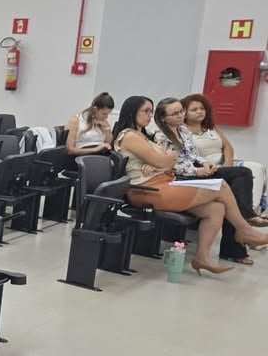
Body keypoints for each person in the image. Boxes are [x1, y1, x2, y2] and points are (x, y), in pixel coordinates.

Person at [111, 96, 268, 275]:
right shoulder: (129, 135)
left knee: (216, 208)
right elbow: (165, 160)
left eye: (150, 111)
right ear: (132, 112)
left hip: (164, 182)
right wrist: (165, 159)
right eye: (145, 111)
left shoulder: (143, 135)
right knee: (222, 186)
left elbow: (166, 160)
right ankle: (244, 230)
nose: (149, 115)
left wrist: (164, 160)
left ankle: (202, 257)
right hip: (147, 189)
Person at [150, 97, 266, 265]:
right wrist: (197, 170)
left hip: (198, 170)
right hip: (181, 177)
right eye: (175, 114)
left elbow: (193, 154)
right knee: (240, 176)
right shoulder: (160, 136)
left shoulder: (183, 129)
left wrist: (205, 163)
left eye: (181, 112)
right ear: (163, 118)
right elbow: (169, 165)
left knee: (242, 176)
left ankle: (242, 229)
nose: (180, 115)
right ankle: (244, 225)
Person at [184, 93, 268, 217]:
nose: (199, 112)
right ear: (184, 113)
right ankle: (248, 215)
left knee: (257, 167)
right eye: (194, 109)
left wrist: (228, 163)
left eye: (202, 108)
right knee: (244, 172)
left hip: (224, 163)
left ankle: (254, 209)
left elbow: (227, 147)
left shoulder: (211, 127)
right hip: (207, 167)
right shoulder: (182, 131)